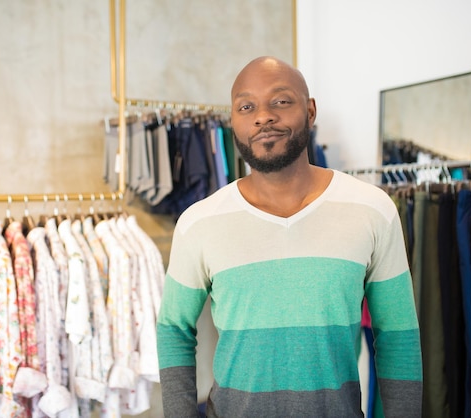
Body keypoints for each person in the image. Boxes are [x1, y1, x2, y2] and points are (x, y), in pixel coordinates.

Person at [156, 56, 422, 417]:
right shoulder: (199, 222)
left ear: (310, 111)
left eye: (281, 101)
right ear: (233, 121)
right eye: (246, 106)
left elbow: (398, 335)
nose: (263, 116)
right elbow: (174, 327)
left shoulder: (372, 210)